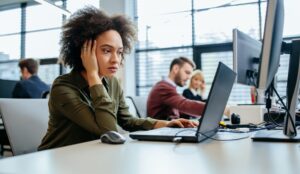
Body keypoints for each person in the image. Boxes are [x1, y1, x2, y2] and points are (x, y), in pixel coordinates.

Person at [38, 7, 197, 150]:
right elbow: (108, 130)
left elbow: (127, 121)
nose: (116, 60)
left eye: (120, 52)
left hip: (91, 156)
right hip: (58, 160)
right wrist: (93, 74)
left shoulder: (111, 82)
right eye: (107, 51)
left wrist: (165, 124)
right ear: (84, 52)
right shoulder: (62, 88)